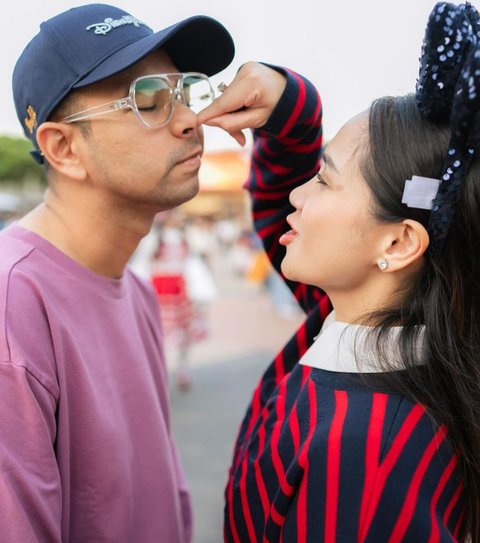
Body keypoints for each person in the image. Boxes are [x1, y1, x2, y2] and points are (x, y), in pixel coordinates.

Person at [198, 1, 480, 540]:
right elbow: (278, 203)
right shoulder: (355, 320)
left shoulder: (368, 446)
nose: (296, 198)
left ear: (398, 243)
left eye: (323, 181)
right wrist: (288, 107)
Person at [0, 3, 234, 542]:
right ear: (63, 148)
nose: (189, 119)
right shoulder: (15, 305)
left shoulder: (135, 292)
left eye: (184, 91)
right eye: (147, 99)